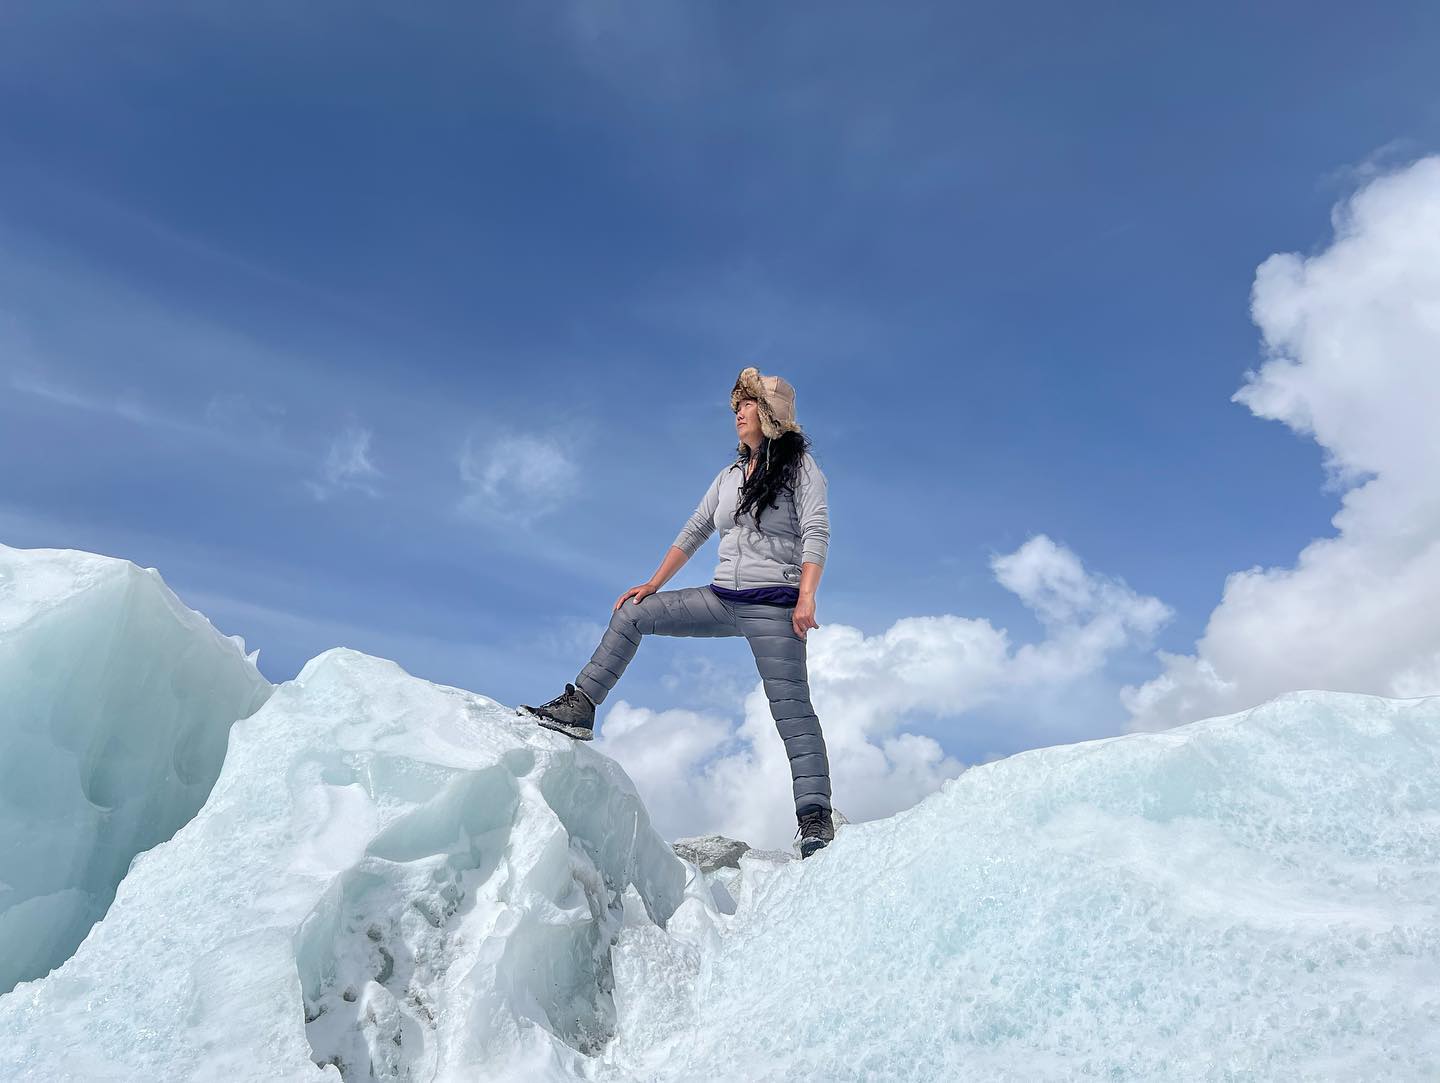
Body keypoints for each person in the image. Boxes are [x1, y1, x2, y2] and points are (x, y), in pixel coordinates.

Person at [520, 367, 836, 857]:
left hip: (774, 606)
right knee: (632, 613)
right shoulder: (730, 476)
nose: (737, 414)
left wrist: (807, 596)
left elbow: (816, 531)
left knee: (792, 711)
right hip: (720, 600)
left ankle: (814, 819)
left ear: (770, 415)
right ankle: (582, 705)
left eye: (747, 406)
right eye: (735, 407)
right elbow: (695, 529)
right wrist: (653, 583)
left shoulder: (801, 470)